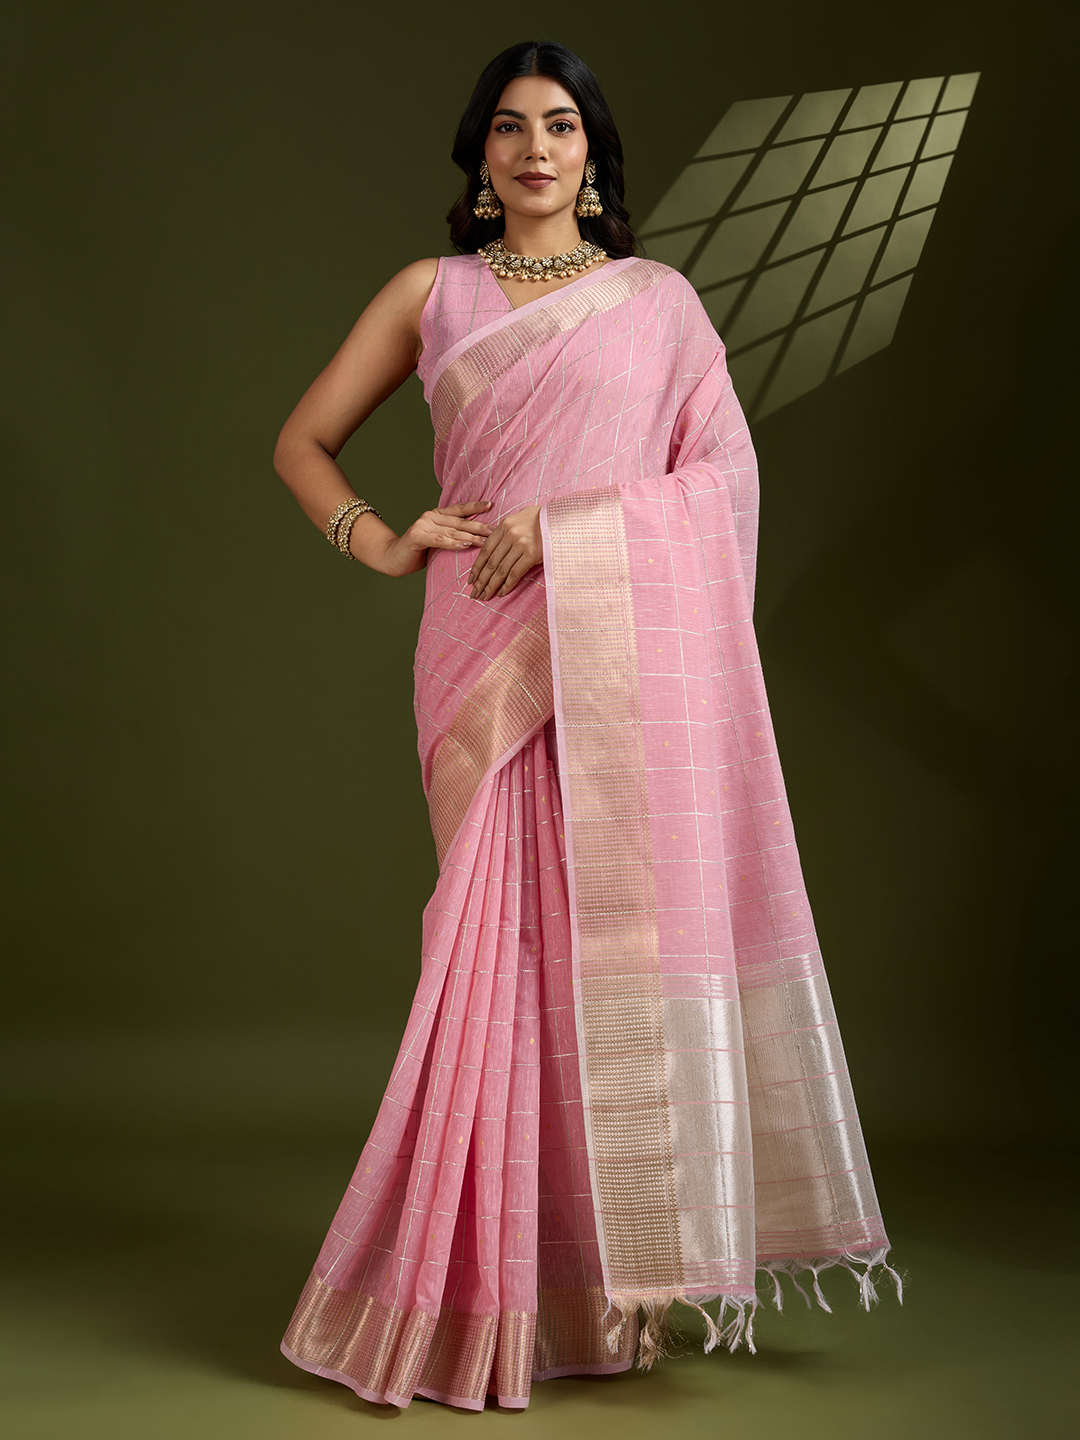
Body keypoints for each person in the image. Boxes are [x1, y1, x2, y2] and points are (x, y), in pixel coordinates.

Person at [274, 38, 900, 1413]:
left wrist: (570, 525)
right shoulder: (429, 293)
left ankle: (598, 1289)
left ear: (595, 154)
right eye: (509, 127)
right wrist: (382, 538)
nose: (535, 149)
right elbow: (300, 442)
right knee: (490, 951)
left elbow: (723, 479)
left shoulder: (658, 304)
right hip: (480, 649)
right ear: (480, 156)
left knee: (601, 947)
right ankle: (472, 1294)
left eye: (560, 126)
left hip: (612, 652)